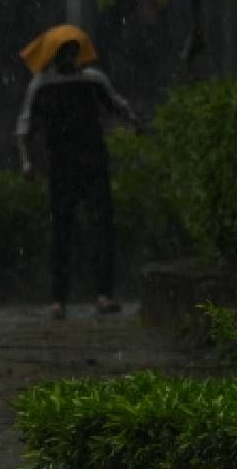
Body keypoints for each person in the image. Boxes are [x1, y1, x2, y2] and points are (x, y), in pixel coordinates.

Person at [15, 25, 142, 320]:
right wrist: (26, 161)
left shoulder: (92, 80)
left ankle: (103, 294)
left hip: (92, 163)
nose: (70, 56)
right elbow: (24, 128)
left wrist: (135, 123)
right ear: (54, 55)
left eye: (73, 50)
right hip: (61, 166)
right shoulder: (41, 85)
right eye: (65, 51)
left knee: (102, 228)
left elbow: (118, 105)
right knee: (62, 232)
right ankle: (58, 299)